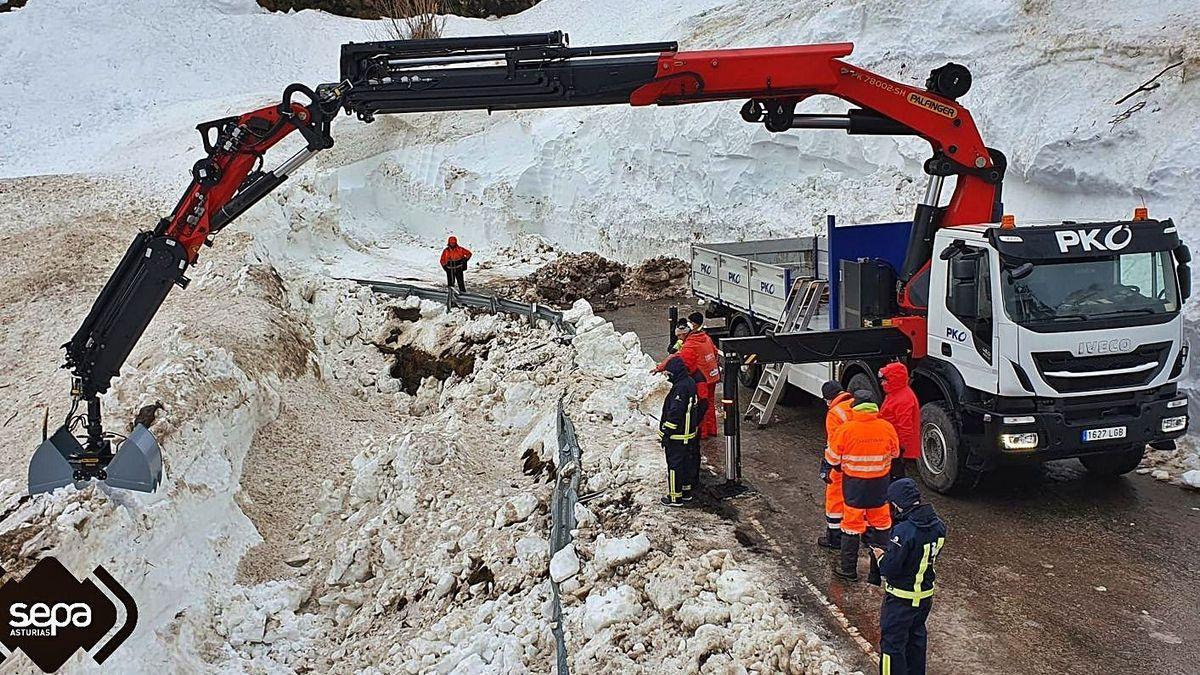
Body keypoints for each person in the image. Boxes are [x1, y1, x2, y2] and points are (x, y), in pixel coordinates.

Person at [871, 478, 947, 675]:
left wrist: (880, 556)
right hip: (924, 596)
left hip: (900, 599)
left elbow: (890, 568)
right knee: (916, 640)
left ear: (897, 504)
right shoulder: (938, 526)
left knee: (892, 646)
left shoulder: (904, 532)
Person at [828, 389, 899, 581]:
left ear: (856, 408)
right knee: (882, 525)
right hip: (880, 486)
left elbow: (833, 458)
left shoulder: (846, 429)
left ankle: (848, 570)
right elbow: (895, 453)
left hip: (855, 487)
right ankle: (878, 571)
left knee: (851, 526)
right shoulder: (886, 427)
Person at [653, 317, 720, 439]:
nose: (679, 339)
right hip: (713, 375)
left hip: (701, 378)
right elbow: (715, 352)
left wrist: (661, 368)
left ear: (685, 333)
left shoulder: (690, 345)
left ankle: (703, 433)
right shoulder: (705, 337)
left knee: (701, 404)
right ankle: (712, 430)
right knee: (709, 402)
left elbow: (678, 359)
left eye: (679, 336)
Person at [658, 357, 705, 506]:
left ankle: (674, 498)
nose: (668, 376)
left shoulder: (680, 388)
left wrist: (667, 433)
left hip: (677, 436)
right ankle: (686, 493)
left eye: (669, 373)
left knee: (674, 467)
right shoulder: (690, 382)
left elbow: (675, 412)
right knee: (685, 465)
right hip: (688, 435)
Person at [818, 380, 855, 549]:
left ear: (828, 399)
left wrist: (827, 466)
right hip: (860, 462)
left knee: (835, 499)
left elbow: (834, 444)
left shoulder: (834, 414)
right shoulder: (855, 405)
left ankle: (835, 538)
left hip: (842, 464)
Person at [879, 362, 920, 479]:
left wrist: (899, 449)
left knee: (895, 474)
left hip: (895, 446)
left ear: (893, 380)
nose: (882, 383)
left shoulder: (903, 399)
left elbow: (905, 427)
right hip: (893, 443)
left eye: (885, 380)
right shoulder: (897, 393)